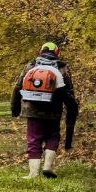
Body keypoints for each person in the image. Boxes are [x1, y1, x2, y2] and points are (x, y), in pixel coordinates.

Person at [11, 42, 79, 179]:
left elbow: (18, 87)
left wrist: (15, 109)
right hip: (54, 110)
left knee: (33, 139)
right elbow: (69, 92)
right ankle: (48, 167)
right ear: (57, 53)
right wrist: (71, 110)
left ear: (40, 51)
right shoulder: (63, 68)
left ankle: (33, 173)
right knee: (53, 136)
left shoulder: (30, 66)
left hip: (33, 110)